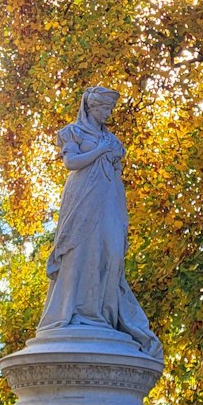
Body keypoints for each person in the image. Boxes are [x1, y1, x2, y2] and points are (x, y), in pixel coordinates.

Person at [37, 85, 162, 358]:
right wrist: (99, 151)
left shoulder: (113, 140)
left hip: (108, 198)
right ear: (90, 107)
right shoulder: (74, 132)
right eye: (103, 108)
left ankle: (102, 314)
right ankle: (77, 310)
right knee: (81, 250)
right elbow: (71, 163)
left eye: (109, 109)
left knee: (110, 251)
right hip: (82, 196)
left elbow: (115, 169)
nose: (107, 113)